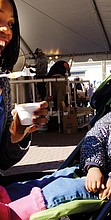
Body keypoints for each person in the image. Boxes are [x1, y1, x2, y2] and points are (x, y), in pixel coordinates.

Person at [0, 63, 111, 219]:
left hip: (109, 185)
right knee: (55, 178)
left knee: (61, 190)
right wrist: (94, 167)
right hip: (90, 170)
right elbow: (93, 139)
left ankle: (13, 213)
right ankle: (8, 195)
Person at [0, 0, 48, 171]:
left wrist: (17, 132)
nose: (7, 30)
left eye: (11, 23)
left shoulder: (3, 83)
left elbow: (3, 161)